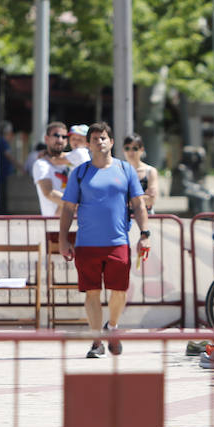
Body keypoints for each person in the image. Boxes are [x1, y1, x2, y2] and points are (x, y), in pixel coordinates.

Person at [58, 122, 151, 358]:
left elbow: (139, 205)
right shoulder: (79, 173)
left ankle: (113, 327)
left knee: (118, 291)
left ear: (111, 142)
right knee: (91, 293)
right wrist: (63, 239)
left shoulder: (125, 169)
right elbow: (68, 209)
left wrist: (145, 234)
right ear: (88, 144)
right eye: (95, 138)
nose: (100, 141)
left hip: (117, 241)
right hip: (86, 244)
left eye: (104, 138)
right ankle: (97, 341)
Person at [31, 121, 73, 218]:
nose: (60, 140)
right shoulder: (41, 164)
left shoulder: (75, 160)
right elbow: (49, 193)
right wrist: (77, 204)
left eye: (64, 137)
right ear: (46, 139)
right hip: (54, 225)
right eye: (56, 135)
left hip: (80, 223)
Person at [122, 133, 159, 212]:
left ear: (141, 150)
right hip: (124, 217)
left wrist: (126, 200)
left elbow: (151, 200)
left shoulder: (150, 171)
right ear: (123, 150)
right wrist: (142, 197)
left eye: (135, 148)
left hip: (146, 217)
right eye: (127, 148)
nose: (130, 152)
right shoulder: (119, 170)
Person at [0, 122, 15, 215]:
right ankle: (2, 213)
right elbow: (9, 156)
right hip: (2, 174)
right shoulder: (2, 142)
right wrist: (21, 167)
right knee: (2, 196)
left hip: (0, 174)